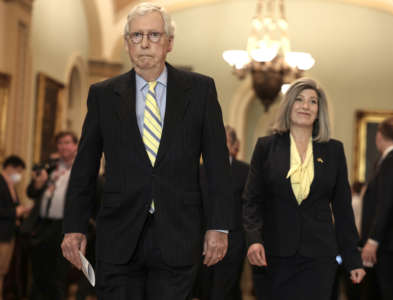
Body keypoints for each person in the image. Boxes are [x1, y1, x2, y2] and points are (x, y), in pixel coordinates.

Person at [61, 3, 234, 300]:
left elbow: (218, 166)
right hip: (118, 234)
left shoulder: (201, 90)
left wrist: (219, 227)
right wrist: (74, 227)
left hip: (179, 234)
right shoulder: (103, 94)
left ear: (169, 43)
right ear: (127, 42)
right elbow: (85, 167)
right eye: (136, 35)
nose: (144, 43)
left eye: (154, 35)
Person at [243, 77, 365, 300]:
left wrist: (352, 258)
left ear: (319, 111)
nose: (305, 106)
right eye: (299, 100)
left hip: (319, 257)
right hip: (272, 255)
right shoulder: (265, 147)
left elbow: (343, 210)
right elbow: (252, 201)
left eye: (313, 102)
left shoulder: (334, 151)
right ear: (289, 106)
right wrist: (253, 240)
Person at [194, 126, 249, 300]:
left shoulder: (245, 172)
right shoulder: (198, 170)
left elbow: (249, 207)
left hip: (233, 243)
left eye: (222, 140)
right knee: (204, 291)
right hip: (202, 243)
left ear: (233, 146)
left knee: (224, 292)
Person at [25, 131, 78, 300]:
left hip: (64, 227)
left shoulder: (81, 168)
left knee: (58, 275)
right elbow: (31, 192)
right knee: (39, 272)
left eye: (68, 142)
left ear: (75, 146)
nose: (63, 146)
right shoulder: (50, 166)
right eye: (60, 143)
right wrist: (38, 182)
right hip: (42, 226)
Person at [361, 117, 393, 300]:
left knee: (388, 292)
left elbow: (386, 202)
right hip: (389, 242)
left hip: (388, 244)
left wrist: (373, 240)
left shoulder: (392, 161)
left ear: (379, 136)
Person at [0, 155, 30, 300]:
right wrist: (15, 212)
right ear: (10, 167)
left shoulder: (11, 185)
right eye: (19, 171)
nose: (19, 175)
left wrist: (21, 211)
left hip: (9, 233)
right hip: (1, 234)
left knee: (3, 270)